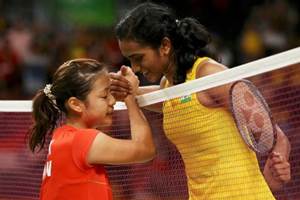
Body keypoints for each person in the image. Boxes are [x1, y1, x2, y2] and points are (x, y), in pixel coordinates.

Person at [110, 2, 291, 199]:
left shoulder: (209, 75)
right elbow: (169, 98)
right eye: (130, 60)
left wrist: (279, 162)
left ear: (164, 45)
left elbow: (275, 136)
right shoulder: (169, 87)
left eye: (139, 58)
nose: (135, 67)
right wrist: (127, 89)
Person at [28, 58, 156, 200]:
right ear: (76, 104)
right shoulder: (81, 140)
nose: (112, 101)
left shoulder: (62, 136)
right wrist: (130, 96)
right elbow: (145, 149)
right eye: (104, 96)